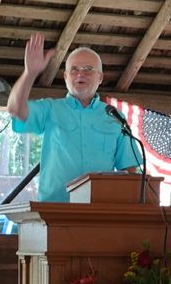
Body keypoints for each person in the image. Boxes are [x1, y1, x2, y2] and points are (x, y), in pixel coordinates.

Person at [8, 33, 139, 202]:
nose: (80, 74)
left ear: (100, 77)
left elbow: (130, 170)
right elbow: (15, 109)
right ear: (65, 77)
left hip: (101, 209)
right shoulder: (50, 109)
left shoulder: (114, 116)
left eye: (88, 69)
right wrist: (29, 73)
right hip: (55, 209)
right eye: (74, 69)